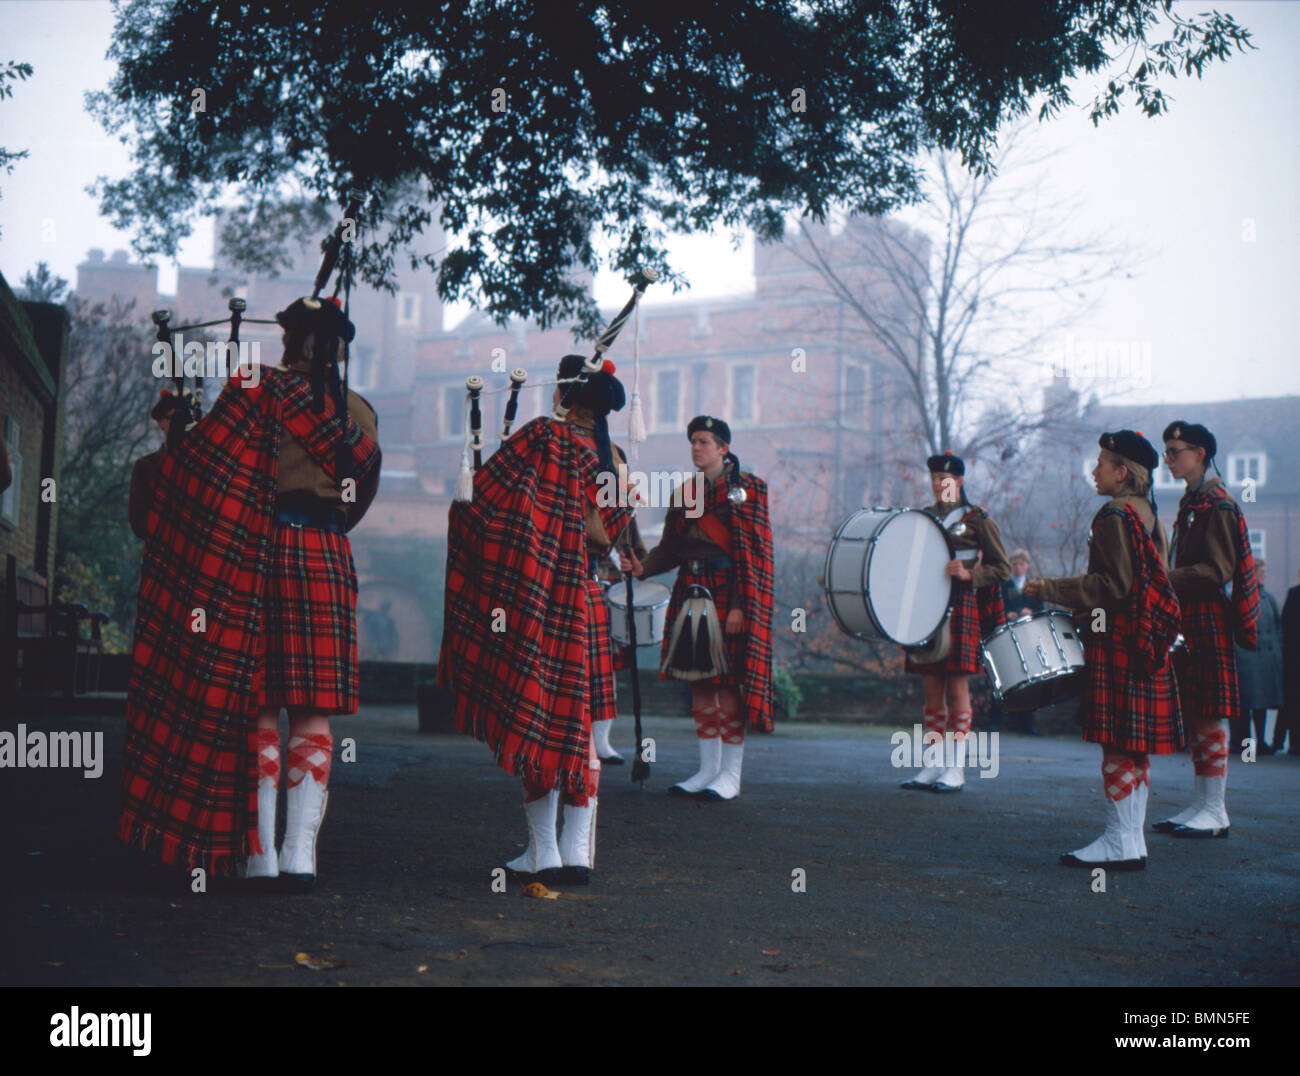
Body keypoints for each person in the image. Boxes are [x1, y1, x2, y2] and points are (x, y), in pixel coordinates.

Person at [119, 296, 382, 888]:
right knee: (311, 707)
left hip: (257, 553)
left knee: (259, 703)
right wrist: (327, 525)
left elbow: (202, 473)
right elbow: (360, 495)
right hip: (327, 554)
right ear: (339, 348)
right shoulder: (358, 411)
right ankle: (300, 858)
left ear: (287, 340)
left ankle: (259, 857)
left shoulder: (252, 389)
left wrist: (180, 439)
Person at [439, 356, 635, 885]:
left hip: (540, 601)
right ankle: (577, 854)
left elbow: (479, 505)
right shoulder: (613, 459)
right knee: (582, 732)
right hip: (589, 600)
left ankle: (543, 852)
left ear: (564, 396)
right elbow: (613, 532)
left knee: (540, 722)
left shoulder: (541, 440)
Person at [1026, 431, 1182, 869]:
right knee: (1134, 746)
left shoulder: (1113, 515)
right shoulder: (1149, 513)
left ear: (1122, 471)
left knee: (1115, 743)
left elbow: (1112, 586)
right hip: (1147, 642)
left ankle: (1118, 842)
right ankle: (1131, 842)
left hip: (1118, 640)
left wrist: (1050, 588)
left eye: (1101, 464)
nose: (1094, 471)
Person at [620, 416, 774, 801]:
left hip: (728, 594)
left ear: (723, 448)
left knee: (727, 686)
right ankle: (708, 770)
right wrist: (643, 568)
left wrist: (740, 607)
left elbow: (752, 557)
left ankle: (730, 776)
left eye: (705, 441)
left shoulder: (749, 490)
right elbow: (671, 548)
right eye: (693, 441)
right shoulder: (685, 493)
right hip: (691, 591)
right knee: (700, 684)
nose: (696, 448)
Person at [1153, 420, 1258, 838]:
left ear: (1200, 453)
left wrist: (1162, 578)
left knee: (1210, 710)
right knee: (1197, 709)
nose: (1168, 459)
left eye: (1175, 451)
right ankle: (1202, 802)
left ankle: (1216, 809)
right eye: (1166, 452)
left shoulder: (1218, 502)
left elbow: (1217, 571)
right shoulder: (1193, 500)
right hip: (1191, 617)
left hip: (1209, 616)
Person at [899, 452, 1009, 792]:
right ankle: (932, 766)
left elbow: (1002, 568)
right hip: (926, 605)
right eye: (933, 478)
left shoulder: (978, 520)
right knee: (931, 686)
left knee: (957, 686)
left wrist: (969, 573)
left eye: (943, 479)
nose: (937, 484)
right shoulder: (922, 517)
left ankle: (956, 769)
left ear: (959, 482)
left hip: (961, 603)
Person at [989, 548, 1043, 733]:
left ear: (1027, 566)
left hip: (1027, 637)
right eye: (1014, 564)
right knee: (1002, 677)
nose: (1018, 567)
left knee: (1029, 679)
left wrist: (1032, 612)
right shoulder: (1003, 586)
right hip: (1007, 638)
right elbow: (995, 608)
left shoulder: (1034, 586)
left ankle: (1026, 723)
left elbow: (1041, 611)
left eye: (1021, 564)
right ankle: (994, 721)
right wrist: (1006, 614)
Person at [1232, 559, 1281, 754]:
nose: (1265, 575)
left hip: (1265, 660)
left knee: (1260, 707)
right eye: (1262, 571)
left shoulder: (1268, 598)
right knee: (1246, 708)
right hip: (1247, 659)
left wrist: (1276, 651)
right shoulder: (1241, 596)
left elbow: (1278, 627)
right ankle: (1248, 751)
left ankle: (1261, 743)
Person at [127, 393, 176, 540]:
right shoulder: (146, 467)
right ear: (160, 422)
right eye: (173, 419)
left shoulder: (200, 466)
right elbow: (138, 521)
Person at [1273, 569, 1300, 755]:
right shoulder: (1294, 594)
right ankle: (1289, 742)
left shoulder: (1293, 594)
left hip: (1292, 657)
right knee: (1292, 701)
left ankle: (1284, 741)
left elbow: (1285, 624)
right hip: (1293, 658)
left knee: (1290, 702)